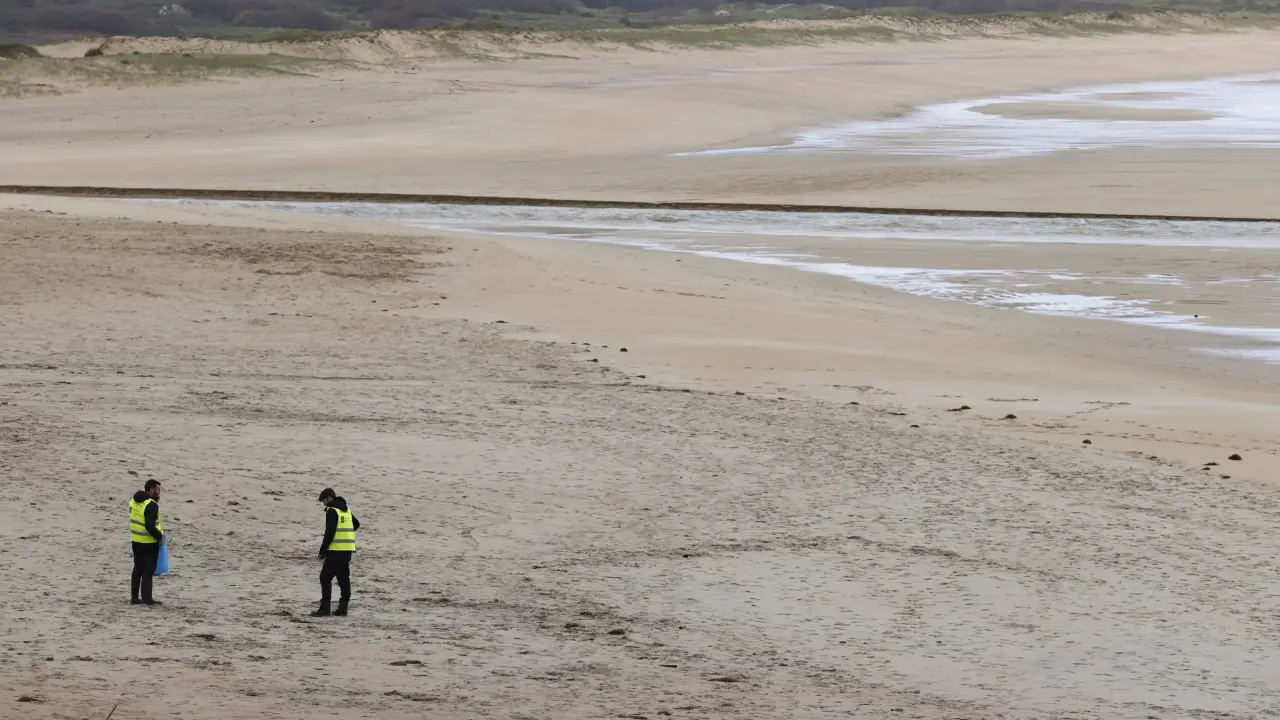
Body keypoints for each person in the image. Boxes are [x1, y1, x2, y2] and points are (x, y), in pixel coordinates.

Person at [313, 487, 360, 617]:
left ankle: (325, 608)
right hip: (347, 550)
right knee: (343, 577)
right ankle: (343, 607)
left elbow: (329, 533)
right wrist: (346, 534)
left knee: (325, 578)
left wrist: (322, 551)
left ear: (329, 498)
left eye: (324, 501)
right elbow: (356, 524)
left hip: (335, 550)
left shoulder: (332, 511)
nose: (324, 504)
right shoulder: (346, 510)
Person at [129, 479, 165, 606]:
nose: (158, 493)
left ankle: (134, 598)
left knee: (137, 568)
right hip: (149, 542)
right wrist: (159, 537)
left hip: (136, 540)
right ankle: (147, 599)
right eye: (157, 490)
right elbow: (149, 526)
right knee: (148, 571)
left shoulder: (134, 501)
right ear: (150, 490)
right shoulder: (151, 505)